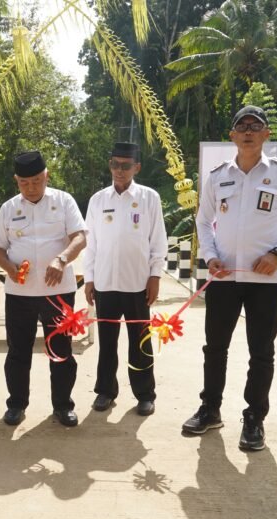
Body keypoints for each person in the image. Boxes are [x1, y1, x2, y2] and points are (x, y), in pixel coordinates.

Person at [181, 106, 277, 451]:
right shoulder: (218, 175)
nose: (249, 131)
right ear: (232, 135)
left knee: (261, 351)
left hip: (265, 280)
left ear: (267, 134)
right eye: (242, 126)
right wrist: (210, 257)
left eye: (256, 126)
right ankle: (210, 409)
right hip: (223, 278)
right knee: (215, 348)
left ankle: (254, 419)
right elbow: (203, 222)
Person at [0, 150, 87, 427]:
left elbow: (79, 237)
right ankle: (16, 404)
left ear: (46, 176)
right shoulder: (9, 208)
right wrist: (10, 269)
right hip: (19, 294)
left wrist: (62, 258)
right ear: (16, 181)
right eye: (24, 182)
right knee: (18, 351)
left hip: (58, 291)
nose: (31, 187)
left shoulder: (63, 201)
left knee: (61, 350)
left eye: (36, 181)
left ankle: (63, 405)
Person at [84, 142, 167, 416]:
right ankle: (105, 392)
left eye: (126, 166)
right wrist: (89, 278)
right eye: (115, 164)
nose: (119, 170)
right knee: (107, 343)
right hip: (106, 284)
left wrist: (155, 276)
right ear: (110, 164)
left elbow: (158, 241)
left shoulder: (149, 198)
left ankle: (145, 394)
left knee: (139, 341)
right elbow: (91, 244)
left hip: (137, 284)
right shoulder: (98, 200)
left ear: (136, 167)